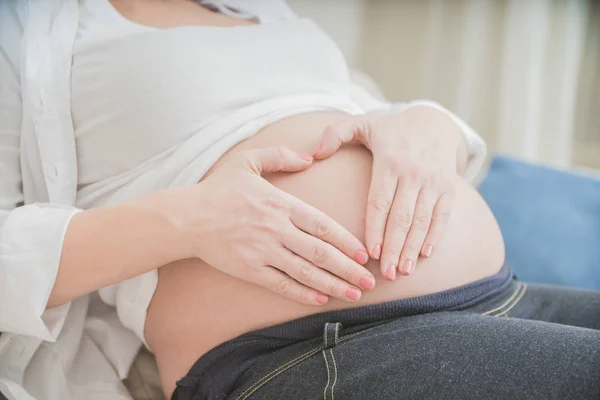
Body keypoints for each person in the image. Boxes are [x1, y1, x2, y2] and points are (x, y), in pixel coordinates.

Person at [0, 1, 598, 399]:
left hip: (500, 295)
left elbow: (353, 111)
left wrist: (430, 123)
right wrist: (187, 220)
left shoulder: (267, 12)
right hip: (312, 346)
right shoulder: (27, 34)